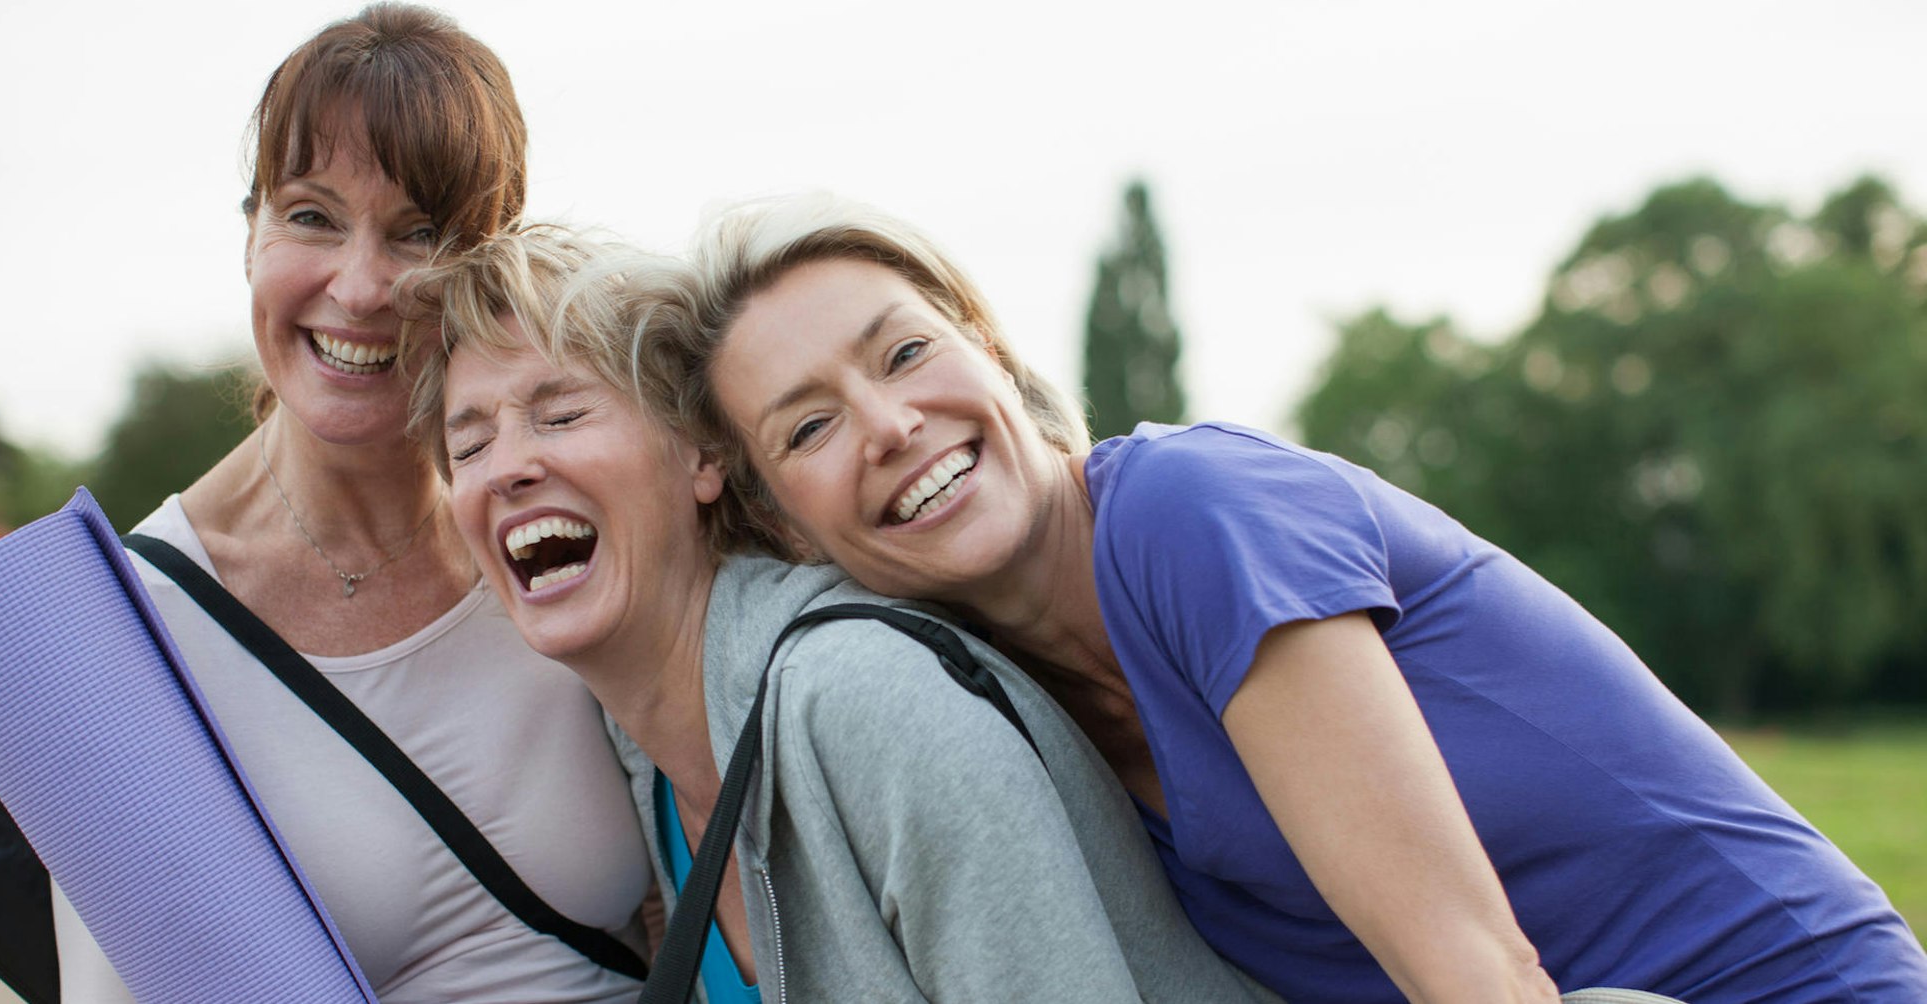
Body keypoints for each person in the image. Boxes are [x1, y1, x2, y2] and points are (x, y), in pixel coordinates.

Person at [663, 193, 1927, 1004]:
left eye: (903, 351)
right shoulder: (990, 699)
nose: (888, 424)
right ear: (777, 515)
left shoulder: (1190, 514)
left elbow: (1476, 976)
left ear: (988, 349)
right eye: (811, 422)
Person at [402, 223, 1279, 1003]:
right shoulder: (651, 767)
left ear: (703, 455)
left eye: (560, 414)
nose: (504, 468)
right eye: (468, 445)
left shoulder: (866, 700)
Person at [51, 8, 650, 1002]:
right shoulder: (128, 632)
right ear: (251, 232)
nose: (362, 285)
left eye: (418, 233)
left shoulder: (555, 537)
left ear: (486, 264)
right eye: (313, 215)